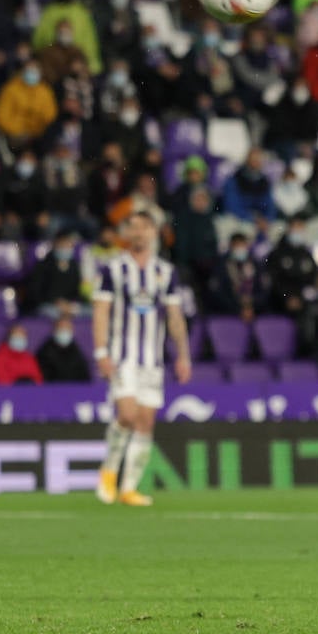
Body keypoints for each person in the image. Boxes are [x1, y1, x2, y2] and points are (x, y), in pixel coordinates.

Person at [92, 210, 192, 507]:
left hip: (152, 360)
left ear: (154, 232)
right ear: (126, 233)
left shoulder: (165, 271)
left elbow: (174, 316)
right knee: (127, 415)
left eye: (144, 228)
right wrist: (101, 351)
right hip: (123, 357)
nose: (139, 233)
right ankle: (109, 471)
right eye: (133, 227)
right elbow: (101, 311)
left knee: (146, 423)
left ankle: (129, 489)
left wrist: (183, 355)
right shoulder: (113, 268)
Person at [268, 214, 318, 314]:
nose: (297, 231)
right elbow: (274, 279)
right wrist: (288, 297)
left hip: (304, 303)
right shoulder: (276, 254)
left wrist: (301, 298)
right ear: (288, 229)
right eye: (295, 227)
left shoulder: (307, 254)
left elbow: (313, 277)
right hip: (280, 303)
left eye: (300, 228)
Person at [26, 232, 84, 319]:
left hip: (70, 305)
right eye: (63, 245)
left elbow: (77, 290)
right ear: (55, 246)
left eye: (68, 245)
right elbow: (35, 291)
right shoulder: (43, 265)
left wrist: (69, 304)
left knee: (88, 311)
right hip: (48, 305)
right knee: (51, 313)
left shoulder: (75, 266)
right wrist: (55, 301)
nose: (66, 249)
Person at [36, 316, 91, 383]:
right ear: (54, 330)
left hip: (75, 391)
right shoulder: (44, 353)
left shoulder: (77, 351)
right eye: (61, 328)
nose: (64, 331)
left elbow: (85, 378)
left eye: (67, 328)